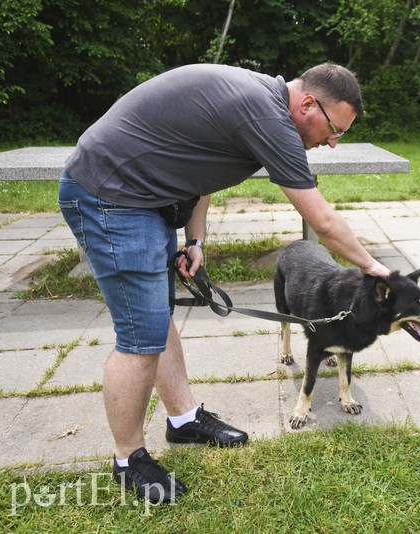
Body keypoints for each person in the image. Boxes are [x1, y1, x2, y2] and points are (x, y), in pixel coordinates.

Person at [58, 63, 392, 504]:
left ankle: (182, 419)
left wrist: (195, 240)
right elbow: (323, 221)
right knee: (140, 338)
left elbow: (201, 171)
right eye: (335, 130)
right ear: (308, 104)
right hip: (110, 198)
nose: (332, 142)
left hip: (142, 199)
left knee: (157, 319)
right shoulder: (268, 117)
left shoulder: (260, 105)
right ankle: (128, 459)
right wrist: (374, 268)